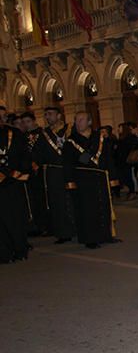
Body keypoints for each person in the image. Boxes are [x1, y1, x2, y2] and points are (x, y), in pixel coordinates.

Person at [63, 112, 119, 249]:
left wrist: (113, 178)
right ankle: (90, 238)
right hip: (83, 180)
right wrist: (70, 182)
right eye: (76, 120)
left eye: (81, 120)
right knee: (87, 210)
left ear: (89, 122)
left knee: (103, 206)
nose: (78, 123)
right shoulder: (71, 142)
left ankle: (106, 235)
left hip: (100, 178)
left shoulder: (100, 138)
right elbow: (68, 164)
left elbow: (108, 158)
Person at [33, 106, 75, 244]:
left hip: (71, 170)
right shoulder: (44, 135)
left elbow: (80, 149)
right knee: (57, 203)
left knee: (74, 200)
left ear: (59, 116)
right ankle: (63, 233)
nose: (47, 117)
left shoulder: (70, 129)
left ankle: (78, 228)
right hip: (54, 173)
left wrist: (89, 163)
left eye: (50, 114)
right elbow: (37, 155)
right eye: (46, 114)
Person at [0, 120, 31, 263]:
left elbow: (24, 155)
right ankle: (4, 253)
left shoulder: (14, 134)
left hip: (13, 181)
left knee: (16, 217)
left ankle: (20, 249)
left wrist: (17, 172)